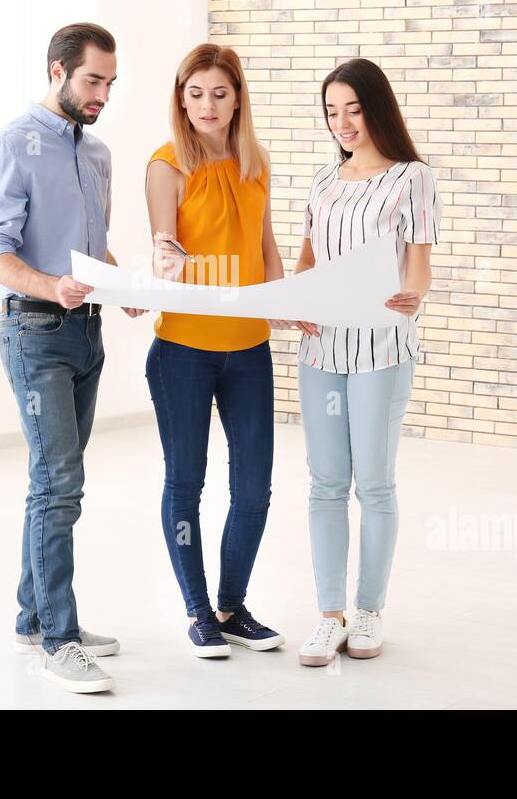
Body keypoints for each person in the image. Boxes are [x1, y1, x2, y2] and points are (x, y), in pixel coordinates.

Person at [0, 22, 145, 694]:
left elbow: (90, 250)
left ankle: (33, 617)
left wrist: (124, 284)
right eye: (92, 80)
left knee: (54, 482)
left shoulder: (97, 154)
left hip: (86, 334)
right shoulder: (14, 146)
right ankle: (58, 639)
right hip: (35, 333)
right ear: (58, 71)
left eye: (110, 83)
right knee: (59, 484)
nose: (102, 94)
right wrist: (52, 287)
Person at [144, 43, 313, 658]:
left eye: (219, 93)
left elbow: (264, 250)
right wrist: (164, 260)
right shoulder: (167, 165)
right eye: (195, 94)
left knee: (253, 490)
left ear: (238, 97)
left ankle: (231, 605)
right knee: (185, 483)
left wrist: (288, 302)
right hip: (183, 350)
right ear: (180, 98)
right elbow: (165, 244)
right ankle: (198, 613)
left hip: (249, 350)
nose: (206, 106)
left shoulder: (254, 162)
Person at [292, 58, 442, 666]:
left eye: (353, 109)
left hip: (381, 347)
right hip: (320, 348)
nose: (343, 123)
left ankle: (370, 609)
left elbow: (420, 264)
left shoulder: (413, 179)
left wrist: (415, 296)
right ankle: (330, 615)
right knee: (326, 484)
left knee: (374, 483)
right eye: (332, 112)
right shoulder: (324, 182)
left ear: (376, 107)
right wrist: (295, 301)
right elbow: (306, 264)